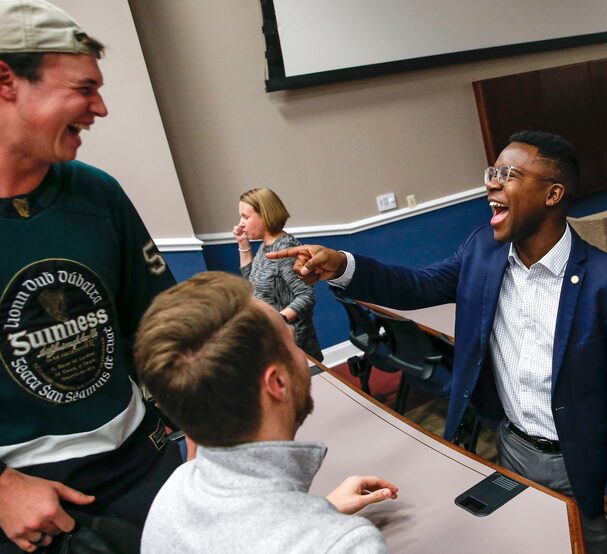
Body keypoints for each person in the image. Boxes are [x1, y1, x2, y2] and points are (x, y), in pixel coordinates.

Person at [271, 131, 607, 553]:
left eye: (508, 174)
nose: (491, 183)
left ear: (553, 193)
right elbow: (416, 286)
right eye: (492, 172)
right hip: (511, 446)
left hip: (584, 460)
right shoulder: (482, 252)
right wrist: (343, 264)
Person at [0, 1, 183, 552]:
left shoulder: (97, 192)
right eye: (83, 88)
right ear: (6, 80)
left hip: (143, 466)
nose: (99, 107)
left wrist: (205, 420)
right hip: (27, 509)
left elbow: (162, 323)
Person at [134, 271, 397, 553]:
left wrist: (322, 513)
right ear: (277, 383)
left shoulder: (172, 492)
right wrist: (325, 533)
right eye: (290, 341)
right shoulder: (348, 545)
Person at [233, 187, 323, 361]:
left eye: (246, 216)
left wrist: (277, 320)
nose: (240, 223)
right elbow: (251, 283)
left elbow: (306, 296)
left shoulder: (285, 248)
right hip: (273, 340)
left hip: (295, 347)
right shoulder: (266, 245)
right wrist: (243, 244)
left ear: (265, 215)